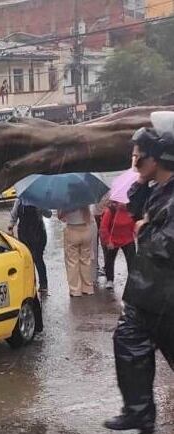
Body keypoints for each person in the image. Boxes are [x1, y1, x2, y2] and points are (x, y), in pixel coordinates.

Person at [104, 117, 174, 433]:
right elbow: (135, 209)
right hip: (146, 294)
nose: (135, 160)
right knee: (128, 343)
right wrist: (141, 184)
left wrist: (148, 232)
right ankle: (140, 412)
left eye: (139, 154)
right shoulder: (158, 189)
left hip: (167, 300)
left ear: (158, 155)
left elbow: (167, 243)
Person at [8, 198, 51, 293]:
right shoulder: (19, 201)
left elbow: (49, 214)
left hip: (38, 233)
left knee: (38, 258)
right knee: (27, 260)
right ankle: (31, 283)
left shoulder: (39, 199)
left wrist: (42, 209)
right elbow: (13, 215)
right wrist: (10, 227)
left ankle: (43, 284)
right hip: (24, 234)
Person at [58, 205, 94, 296]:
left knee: (72, 261)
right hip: (86, 230)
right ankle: (88, 287)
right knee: (86, 260)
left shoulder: (66, 200)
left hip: (72, 229)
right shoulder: (85, 199)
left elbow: (60, 217)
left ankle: (75, 290)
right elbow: (89, 216)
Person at [99, 201, 136, 291]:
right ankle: (110, 280)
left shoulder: (132, 210)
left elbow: (135, 224)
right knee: (109, 260)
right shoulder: (110, 211)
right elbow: (103, 228)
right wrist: (108, 241)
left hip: (128, 239)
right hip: (113, 240)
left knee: (132, 261)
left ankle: (133, 279)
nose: (123, 203)